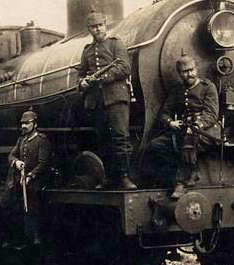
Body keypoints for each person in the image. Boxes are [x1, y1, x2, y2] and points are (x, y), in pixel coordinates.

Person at [77, 11, 137, 190]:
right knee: (103, 140)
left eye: (100, 25)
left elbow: (125, 67)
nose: (98, 29)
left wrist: (101, 78)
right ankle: (108, 178)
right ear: (89, 29)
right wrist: (83, 82)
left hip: (116, 98)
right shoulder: (87, 50)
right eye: (94, 27)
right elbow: (80, 74)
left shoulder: (116, 44)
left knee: (121, 138)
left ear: (105, 25)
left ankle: (125, 177)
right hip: (97, 101)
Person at [147, 55, 221, 199]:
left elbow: (211, 114)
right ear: (180, 73)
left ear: (196, 68)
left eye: (192, 70)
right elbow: (164, 113)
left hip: (207, 130)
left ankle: (180, 183)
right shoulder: (177, 91)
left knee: (189, 140)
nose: (190, 74)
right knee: (156, 145)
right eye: (185, 71)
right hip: (183, 130)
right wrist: (170, 122)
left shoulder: (208, 87)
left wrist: (196, 126)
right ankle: (188, 171)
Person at [0, 109, 52, 246]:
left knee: (31, 207)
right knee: (3, 205)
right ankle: (9, 237)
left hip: (35, 179)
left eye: (27, 123)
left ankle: (35, 239)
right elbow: (11, 155)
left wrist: (31, 176)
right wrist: (16, 162)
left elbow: (43, 163)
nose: (23, 126)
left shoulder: (42, 140)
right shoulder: (21, 139)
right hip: (18, 179)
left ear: (35, 124)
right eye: (22, 123)